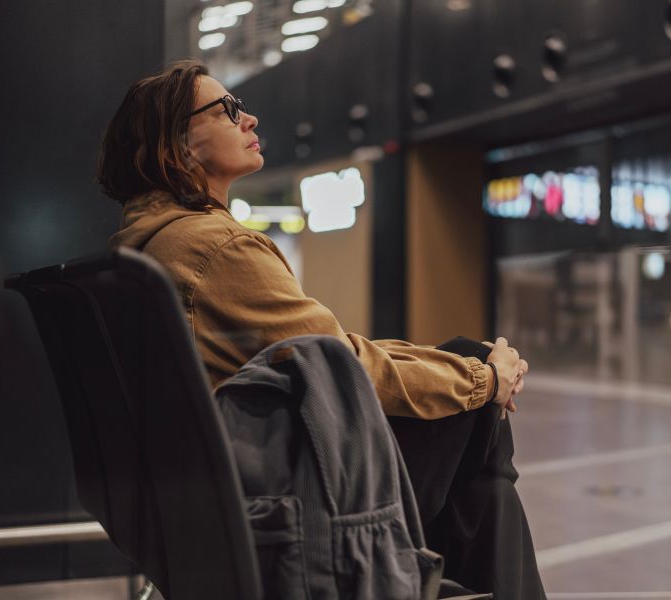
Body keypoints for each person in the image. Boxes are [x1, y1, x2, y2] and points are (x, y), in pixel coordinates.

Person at [100, 60, 545, 599]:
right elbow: (349, 371)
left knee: (473, 420)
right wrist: (486, 381)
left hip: (202, 498)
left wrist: (470, 372)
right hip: (283, 502)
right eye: (228, 110)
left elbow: (332, 353)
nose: (249, 118)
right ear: (179, 143)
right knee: (481, 438)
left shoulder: (142, 248)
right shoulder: (213, 247)